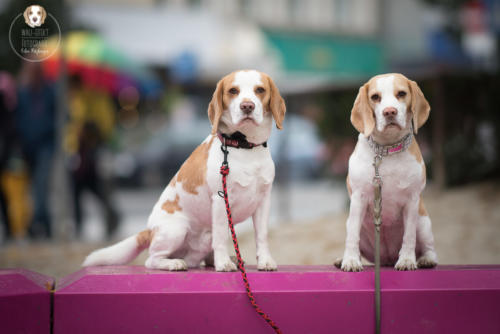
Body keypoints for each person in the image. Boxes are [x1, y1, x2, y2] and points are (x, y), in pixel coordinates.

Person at [65, 74, 119, 239]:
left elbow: (106, 126)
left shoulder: (96, 98)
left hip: (92, 153)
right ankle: (80, 225)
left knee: (98, 189)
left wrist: (90, 129)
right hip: (76, 153)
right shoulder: (71, 100)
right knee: (77, 191)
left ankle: (111, 217)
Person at [15, 62, 56, 239]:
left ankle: (37, 223)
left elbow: (59, 116)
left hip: (45, 145)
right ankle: (42, 223)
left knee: (40, 186)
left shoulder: (49, 92)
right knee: (31, 188)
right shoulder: (22, 93)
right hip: (26, 147)